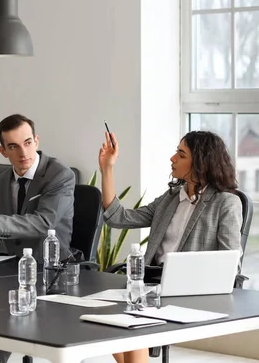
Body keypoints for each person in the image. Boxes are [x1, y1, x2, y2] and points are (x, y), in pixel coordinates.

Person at [99, 130, 242, 363]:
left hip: (188, 289)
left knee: (134, 321)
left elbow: (230, 263)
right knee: (105, 317)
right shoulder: (172, 197)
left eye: (181, 154)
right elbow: (118, 218)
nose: (172, 159)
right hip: (150, 283)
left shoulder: (225, 202)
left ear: (201, 162)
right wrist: (107, 168)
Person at [0, 114, 76, 262]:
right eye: (13, 146)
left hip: (50, 268)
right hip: (11, 264)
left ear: (36, 141)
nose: (23, 153)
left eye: (27, 143)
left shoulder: (60, 175)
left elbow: (44, 223)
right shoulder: (0, 182)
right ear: (3, 151)